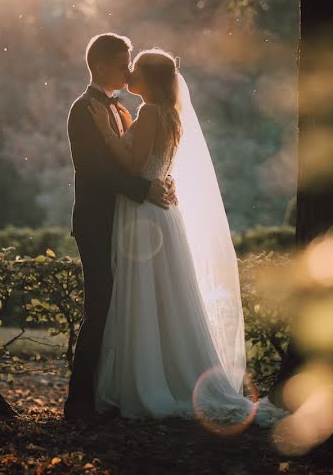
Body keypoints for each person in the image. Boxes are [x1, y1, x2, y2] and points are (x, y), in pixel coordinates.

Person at [90, 48, 286, 428]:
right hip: (163, 213)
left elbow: (133, 165)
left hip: (143, 214)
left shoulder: (149, 113)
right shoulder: (169, 114)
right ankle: (171, 374)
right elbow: (153, 162)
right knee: (165, 298)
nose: (129, 72)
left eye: (136, 69)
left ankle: (149, 382)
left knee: (146, 297)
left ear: (149, 79)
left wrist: (106, 132)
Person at [63, 33, 176, 422]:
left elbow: (132, 156)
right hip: (96, 223)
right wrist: (145, 187)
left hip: (124, 223)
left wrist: (152, 179)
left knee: (120, 306)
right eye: (123, 61)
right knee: (100, 305)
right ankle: (77, 401)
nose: (129, 69)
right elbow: (94, 170)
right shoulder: (83, 109)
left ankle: (109, 391)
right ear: (101, 65)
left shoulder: (121, 108)